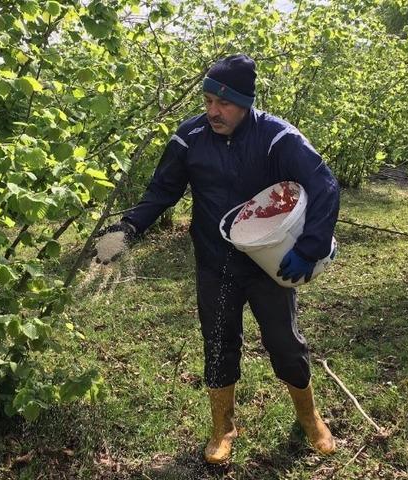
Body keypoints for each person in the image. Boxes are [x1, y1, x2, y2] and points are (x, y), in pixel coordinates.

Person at [93, 54, 340, 463]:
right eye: (208, 101)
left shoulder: (277, 138)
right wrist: (128, 228)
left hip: (268, 265)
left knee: (284, 343)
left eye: (223, 103)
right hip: (215, 263)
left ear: (246, 101)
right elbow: (161, 191)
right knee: (219, 343)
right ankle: (223, 427)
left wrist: (309, 248)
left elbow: (324, 184)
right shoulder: (190, 138)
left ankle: (309, 416)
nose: (212, 111)